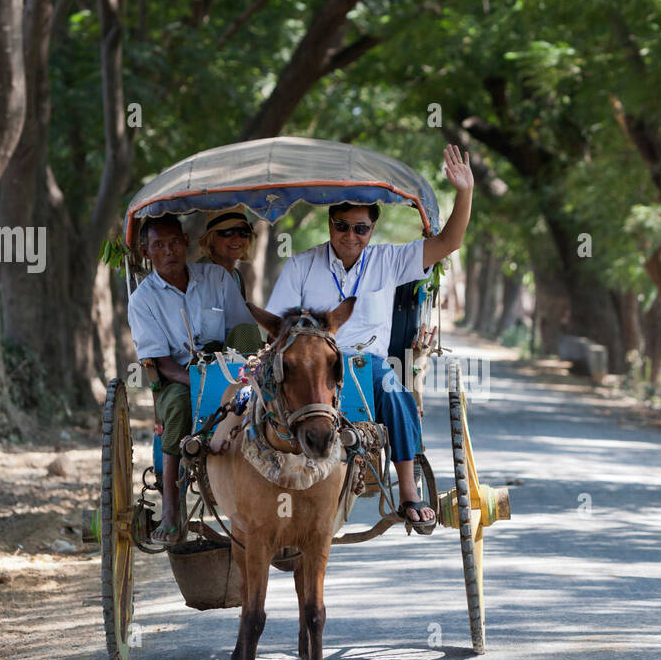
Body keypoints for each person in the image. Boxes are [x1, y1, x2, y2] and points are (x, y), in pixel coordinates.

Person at [264, 143, 475, 531]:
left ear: (371, 229)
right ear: (330, 224)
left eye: (360, 228)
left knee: (395, 391)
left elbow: (448, 243)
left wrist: (465, 192)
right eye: (341, 226)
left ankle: (409, 492)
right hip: (316, 365)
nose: (350, 235)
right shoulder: (302, 265)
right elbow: (277, 326)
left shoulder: (389, 261)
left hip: (368, 365)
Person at [128, 214, 236, 544]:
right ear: (146, 251)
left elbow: (244, 331)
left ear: (186, 242)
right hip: (178, 376)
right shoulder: (143, 300)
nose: (169, 251)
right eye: (159, 245)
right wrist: (202, 385)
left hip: (229, 367)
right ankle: (173, 509)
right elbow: (162, 363)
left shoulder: (216, 277)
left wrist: (239, 374)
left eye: (174, 242)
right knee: (175, 406)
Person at [198, 207, 262, 353]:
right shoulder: (199, 275)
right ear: (211, 238)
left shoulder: (237, 277)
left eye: (243, 233)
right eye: (227, 232)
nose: (237, 239)